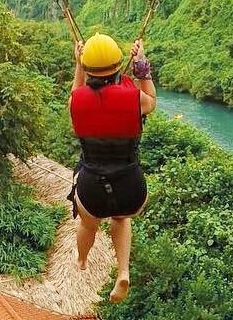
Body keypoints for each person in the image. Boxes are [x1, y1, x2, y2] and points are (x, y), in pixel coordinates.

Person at [67, 33, 156, 303]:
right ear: (118, 67)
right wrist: (141, 63)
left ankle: (82, 259)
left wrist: (78, 65)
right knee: (122, 218)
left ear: (89, 69)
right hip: (131, 186)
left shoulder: (76, 102)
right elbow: (151, 98)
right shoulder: (134, 98)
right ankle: (123, 271)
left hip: (92, 186)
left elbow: (76, 92)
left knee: (88, 224)